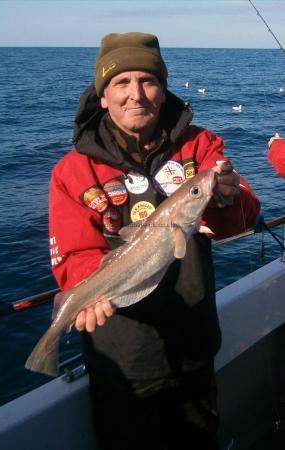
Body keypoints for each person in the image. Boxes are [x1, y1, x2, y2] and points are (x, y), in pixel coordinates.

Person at [49, 32, 260, 450]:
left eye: (147, 81)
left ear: (163, 92)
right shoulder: (73, 171)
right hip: (123, 360)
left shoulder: (199, 146)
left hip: (195, 345)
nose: (136, 94)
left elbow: (243, 216)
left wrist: (225, 196)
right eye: (121, 83)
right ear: (102, 96)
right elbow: (74, 252)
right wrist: (87, 291)